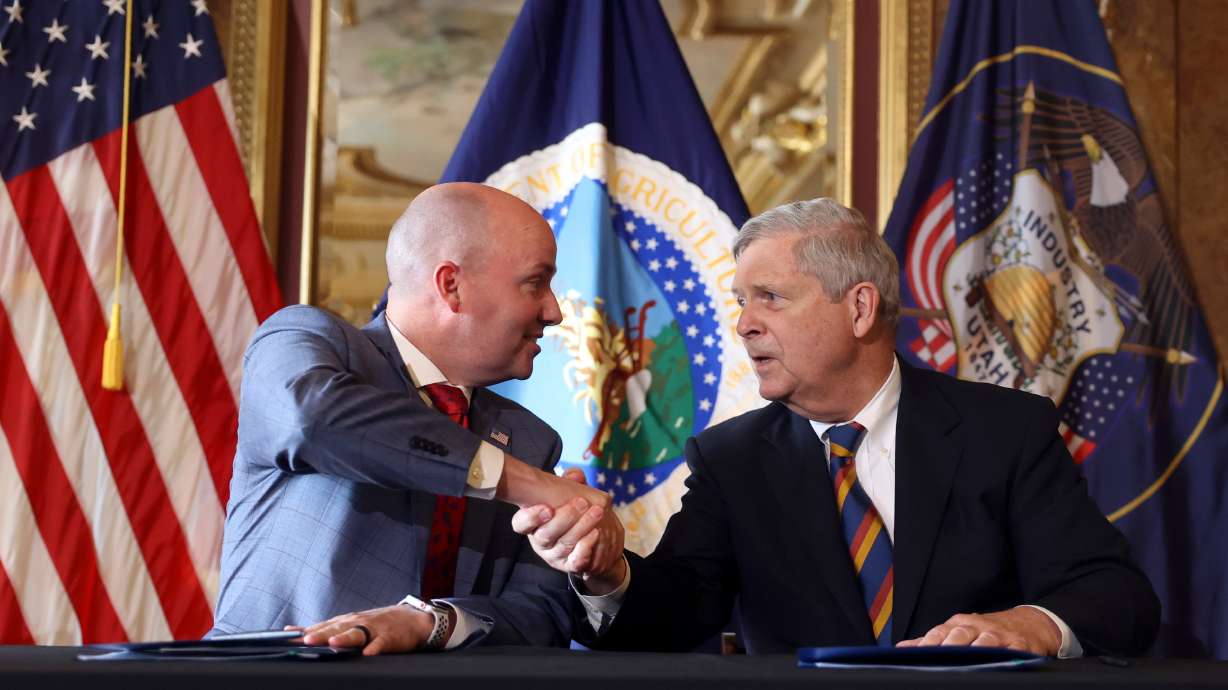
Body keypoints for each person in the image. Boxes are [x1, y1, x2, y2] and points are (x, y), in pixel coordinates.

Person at [513, 198, 1160, 657]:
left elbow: (1117, 596)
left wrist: (1035, 624)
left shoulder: (1004, 431)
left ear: (858, 308)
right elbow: (675, 615)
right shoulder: (731, 459)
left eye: (770, 297)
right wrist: (606, 573)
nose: (744, 324)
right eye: (741, 302)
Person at [210, 182, 623, 654]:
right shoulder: (306, 342)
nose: (554, 311)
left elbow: (541, 616)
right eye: (536, 282)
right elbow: (312, 422)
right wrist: (524, 484)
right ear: (452, 285)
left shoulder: (530, 439)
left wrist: (434, 623)